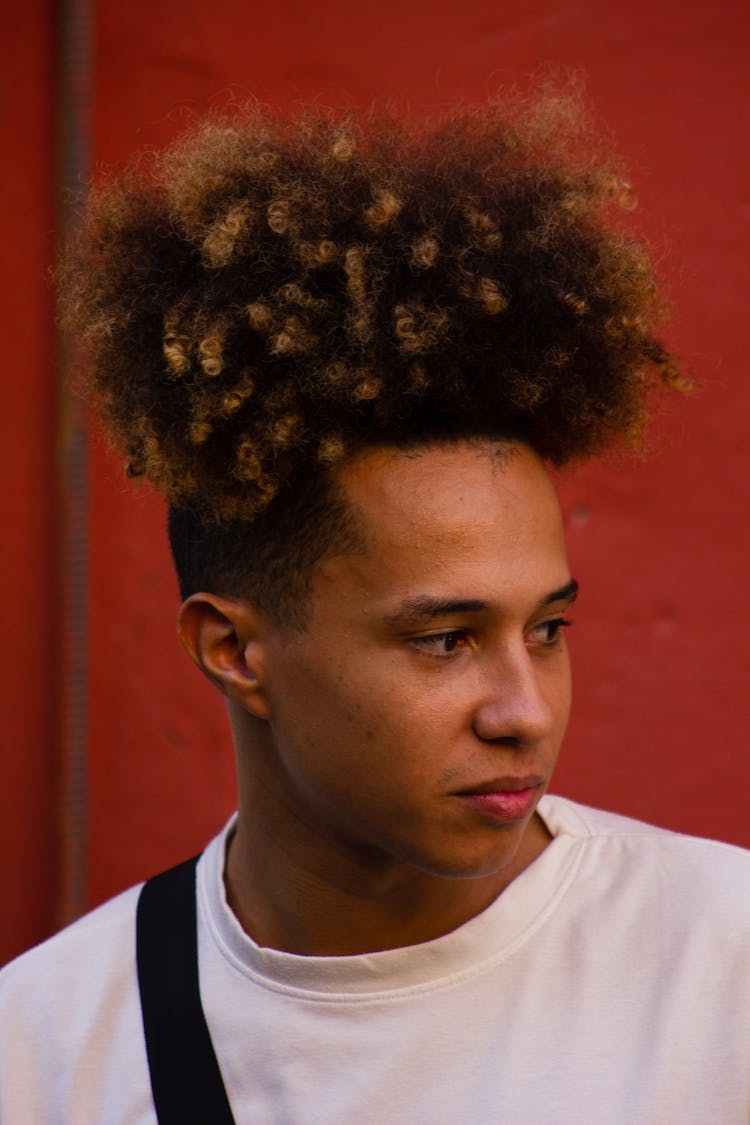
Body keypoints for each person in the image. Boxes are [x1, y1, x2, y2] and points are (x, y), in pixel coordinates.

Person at [2, 94, 749, 1124]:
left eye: (548, 629)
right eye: (445, 640)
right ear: (233, 650)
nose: (525, 712)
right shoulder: (45, 1052)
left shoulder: (724, 968)